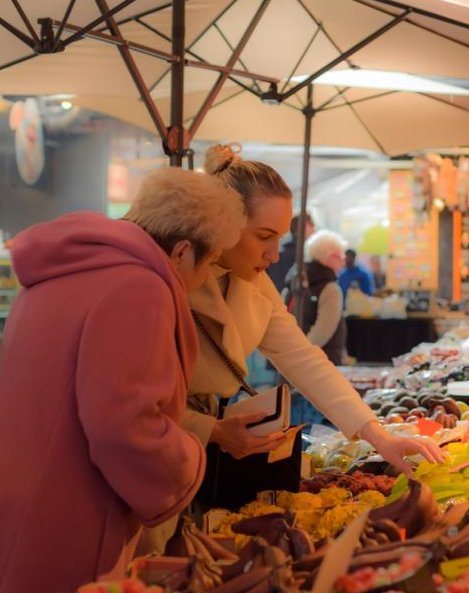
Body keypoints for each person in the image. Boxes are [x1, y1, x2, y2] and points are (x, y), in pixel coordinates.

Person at [138, 144, 442, 553]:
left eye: (280, 238)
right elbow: (132, 400)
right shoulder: (168, 277)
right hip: (148, 453)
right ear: (224, 223)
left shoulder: (254, 284)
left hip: (203, 460)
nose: (274, 253)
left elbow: (305, 359)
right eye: (263, 236)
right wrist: (210, 429)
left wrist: (378, 435)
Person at [0, 168, 245, 593]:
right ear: (183, 251)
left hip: (21, 490)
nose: (205, 278)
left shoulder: (59, 271)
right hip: (72, 508)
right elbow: (126, 424)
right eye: (210, 263)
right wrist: (188, 461)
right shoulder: (139, 288)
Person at [301, 230, 348, 364]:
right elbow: (321, 333)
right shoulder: (330, 289)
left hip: (295, 360)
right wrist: (301, 356)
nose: (342, 264)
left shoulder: (297, 279)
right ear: (330, 257)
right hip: (321, 361)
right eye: (341, 258)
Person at [267, 212, 314, 295]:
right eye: (310, 225)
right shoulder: (299, 253)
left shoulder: (284, 249)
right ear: (301, 228)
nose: (313, 228)